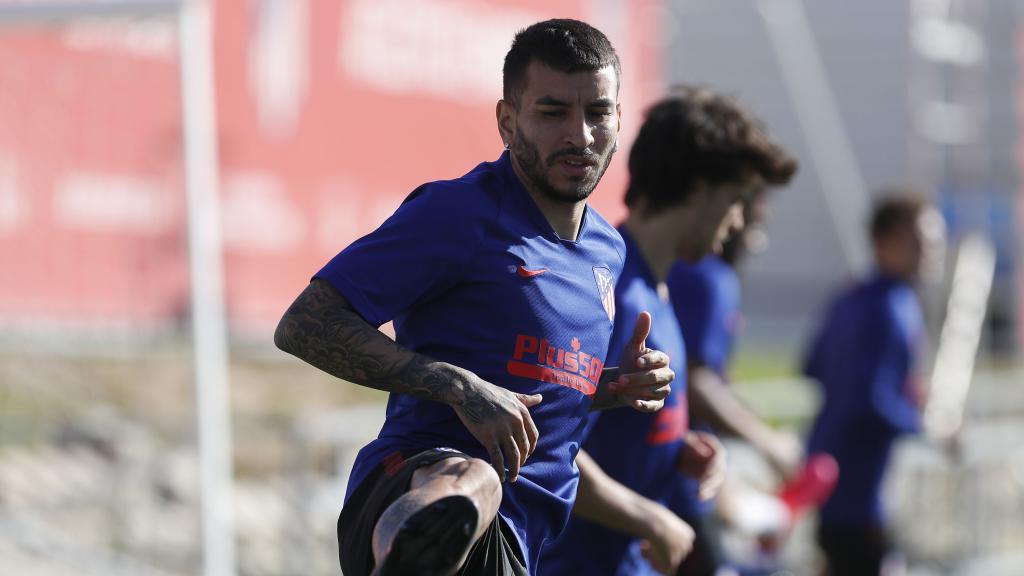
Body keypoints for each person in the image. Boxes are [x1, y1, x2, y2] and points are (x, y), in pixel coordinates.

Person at [274, 19, 677, 576]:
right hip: (413, 482)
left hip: (518, 539)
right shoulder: (459, 212)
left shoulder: (608, 249)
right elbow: (304, 324)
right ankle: (404, 555)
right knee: (473, 480)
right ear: (507, 121)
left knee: (483, 488)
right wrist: (458, 386)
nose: (580, 135)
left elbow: (534, 393)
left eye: (598, 113)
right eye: (553, 111)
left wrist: (609, 387)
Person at [541, 87, 798, 576]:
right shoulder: (608, 290)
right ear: (699, 189)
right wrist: (651, 520)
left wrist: (673, 452)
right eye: (736, 200)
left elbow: (607, 429)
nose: (739, 219)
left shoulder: (656, 287)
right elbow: (546, 447)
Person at [803, 194, 945, 576]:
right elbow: (872, 401)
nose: (932, 250)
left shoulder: (848, 296)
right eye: (920, 240)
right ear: (886, 241)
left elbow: (812, 366)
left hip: (825, 473)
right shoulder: (893, 307)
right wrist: (928, 425)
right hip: (861, 490)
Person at [667, 187, 801, 576]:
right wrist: (768, 443)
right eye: (753, 222)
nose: (756, 238)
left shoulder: (684, 271)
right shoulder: (708, 276)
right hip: (677, 482)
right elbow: (695, 381)